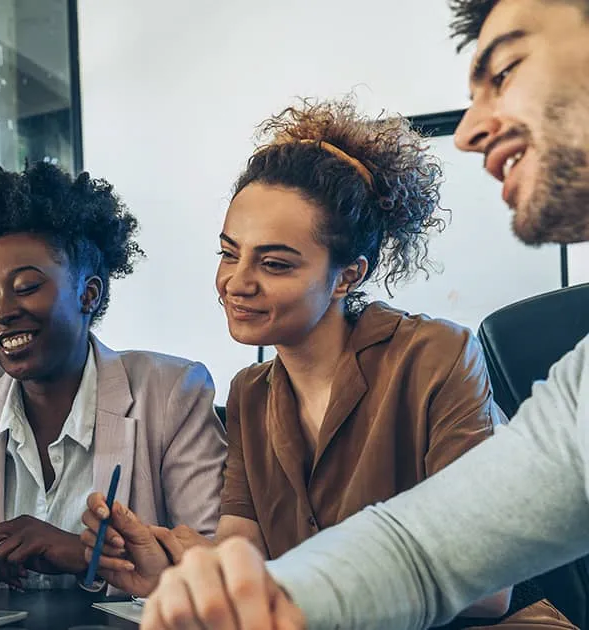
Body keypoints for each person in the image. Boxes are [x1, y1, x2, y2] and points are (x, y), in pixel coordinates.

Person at [139, 1, 589, 628]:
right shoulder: (578, 397)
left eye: (507, 69)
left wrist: (261, 581)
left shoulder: (435, 353)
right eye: (228, 254)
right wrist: (190, 572)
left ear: (349, 273)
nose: (467, 131)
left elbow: (477, 584)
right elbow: (428, 554)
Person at [0, 162, 226, 596]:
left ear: (88, 294)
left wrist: (82, 555)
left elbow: (214, 562)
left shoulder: (172, 392)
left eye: (25, 287)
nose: (0, 312)